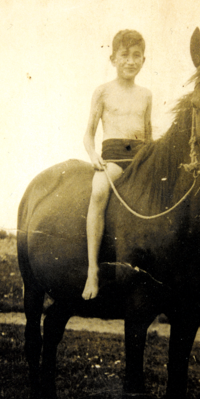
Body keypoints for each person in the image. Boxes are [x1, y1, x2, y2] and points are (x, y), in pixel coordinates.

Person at [82, 30, 152, 300]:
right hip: (112, 160)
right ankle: (92, 271)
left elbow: (147, 135)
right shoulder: (103, 91)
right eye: (125, 55)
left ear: (143, 61)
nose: (130, 61)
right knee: (98, 192)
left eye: (137, 56)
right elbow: (88, 133)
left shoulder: (146, 94)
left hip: (140, 160)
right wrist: (93, 156)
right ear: (113, 58)